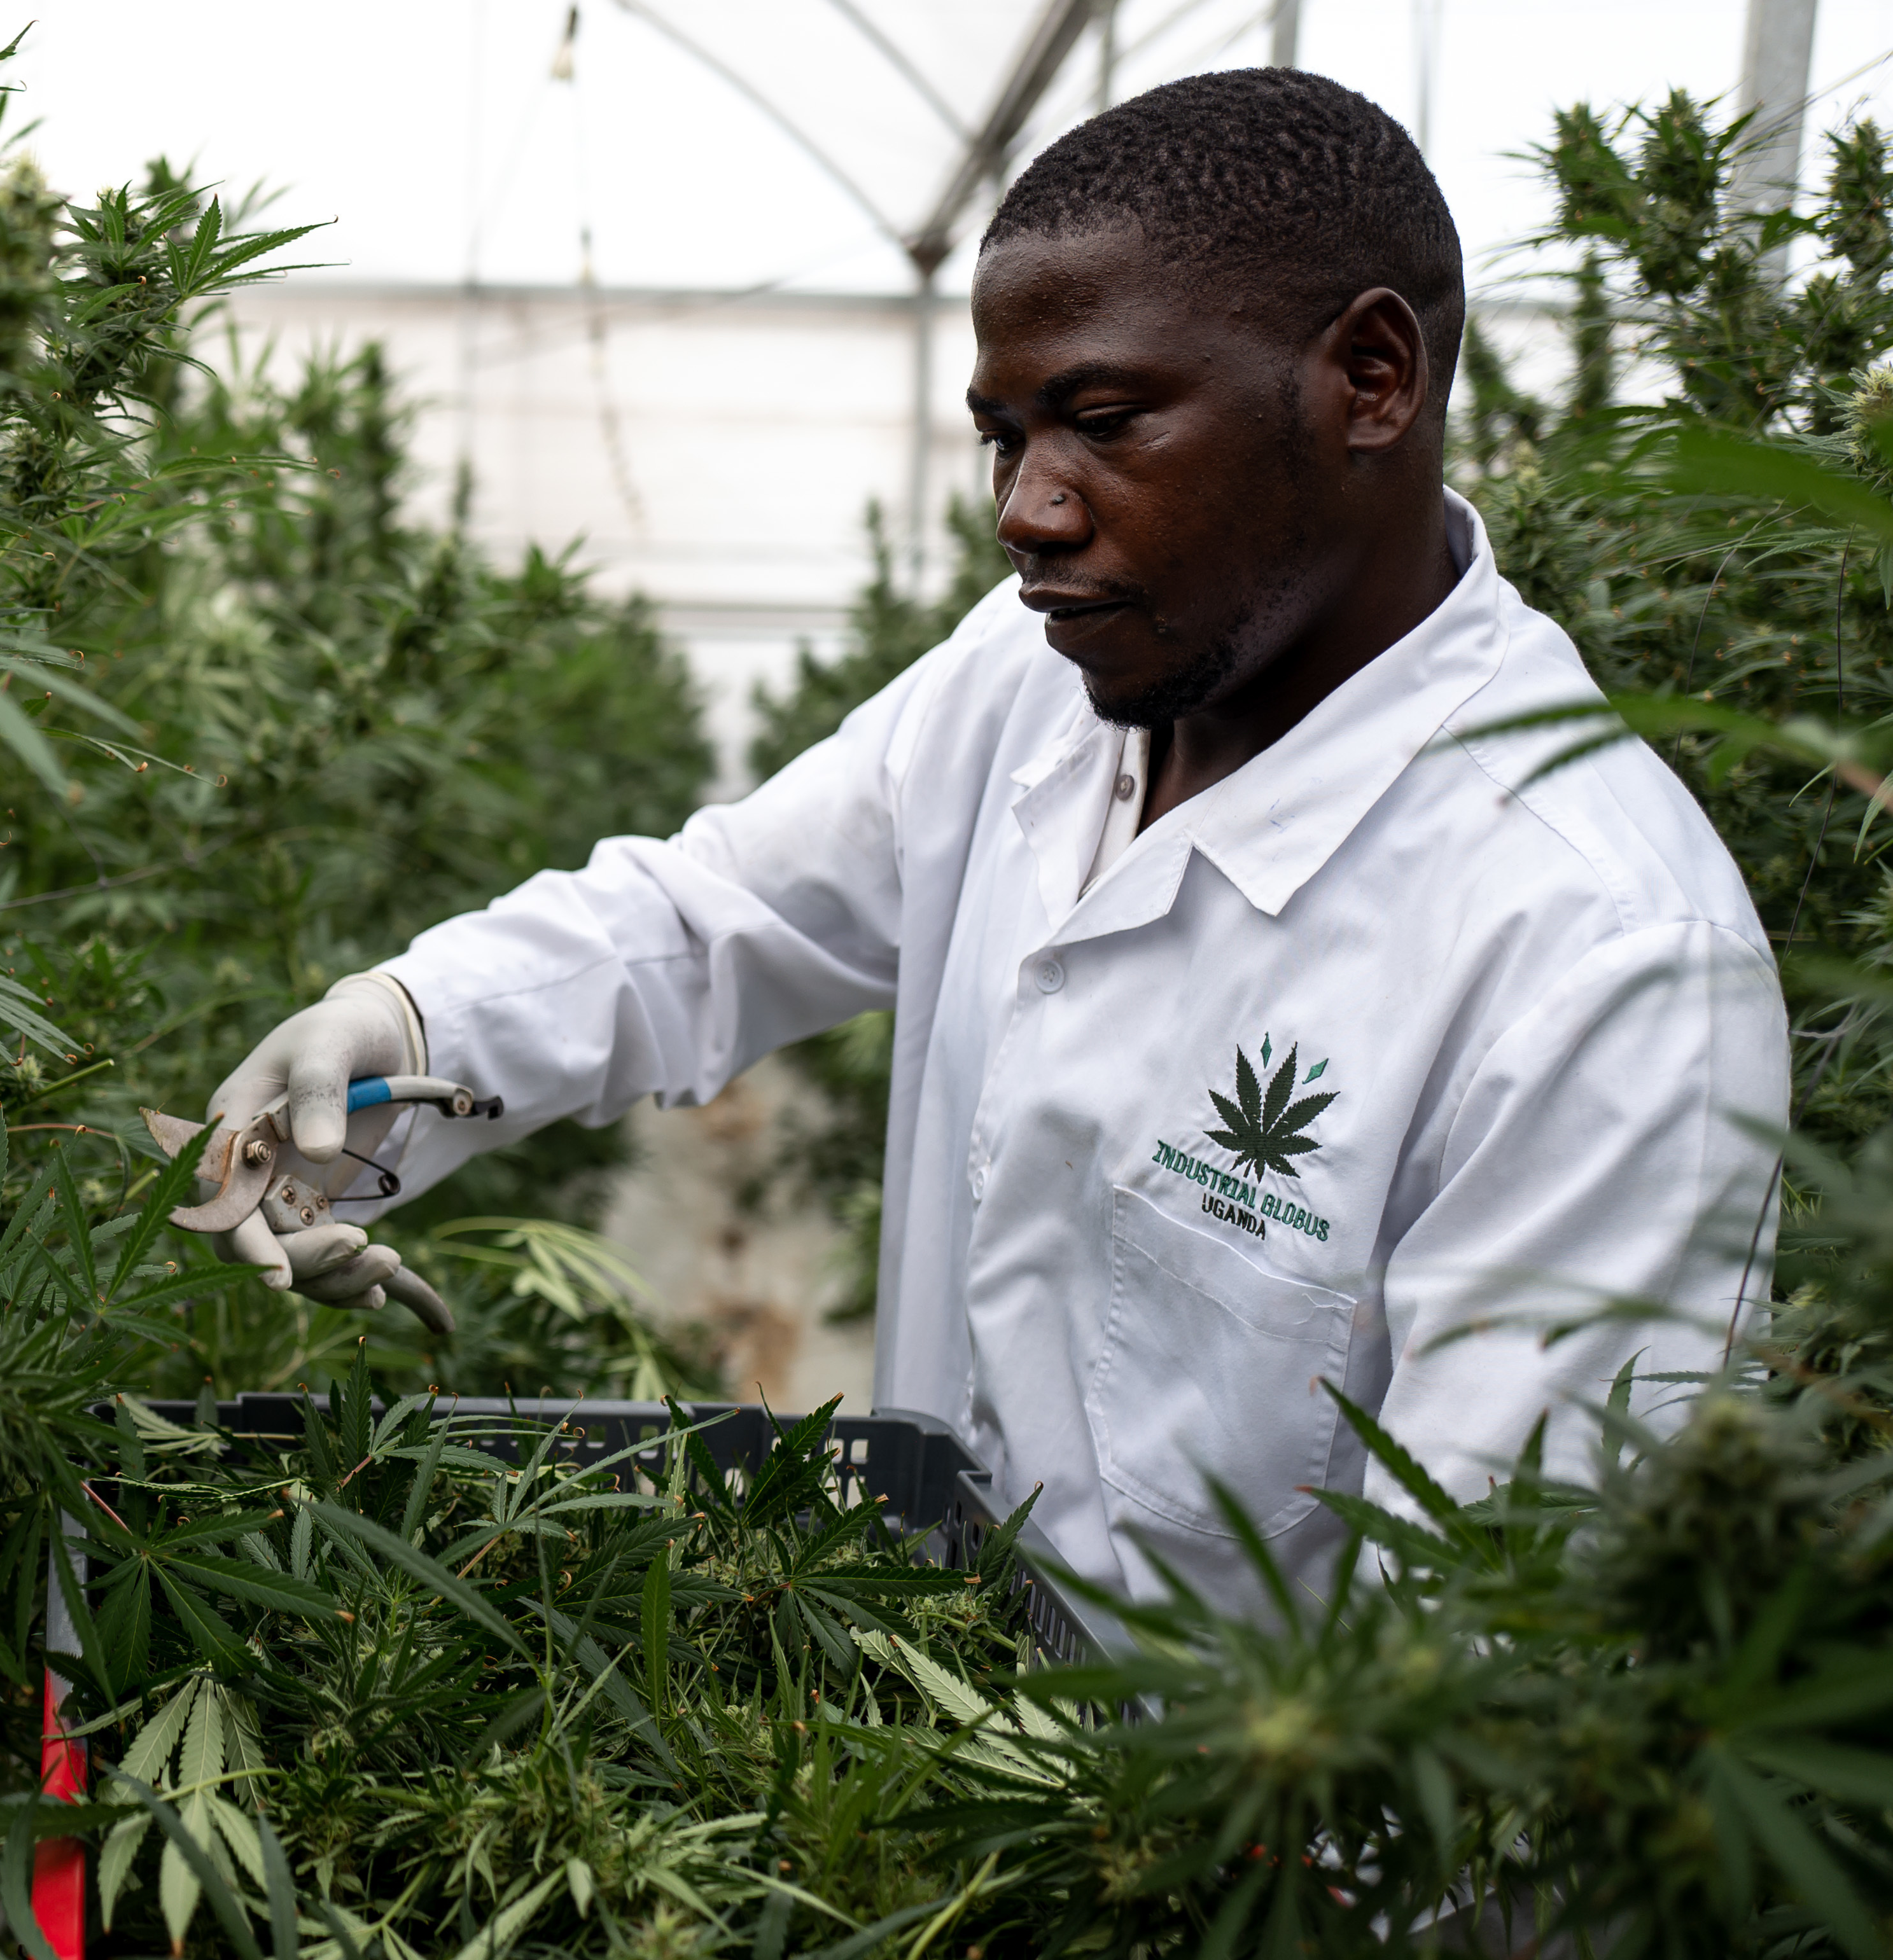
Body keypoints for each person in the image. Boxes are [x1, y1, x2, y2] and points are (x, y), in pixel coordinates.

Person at [192, 69, 1790, 1606]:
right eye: (1004, 438)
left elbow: (1487, 1691)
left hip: (1213, 1865)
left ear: (1371, 379)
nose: (1028, 509)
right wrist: (402, 1036)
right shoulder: (1035, 681)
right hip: (906, 1786)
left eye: (1102, 420)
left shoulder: (1604, 962)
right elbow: (716, 917)